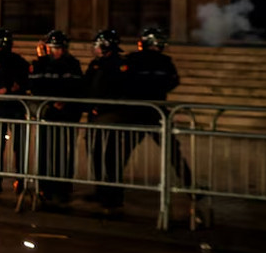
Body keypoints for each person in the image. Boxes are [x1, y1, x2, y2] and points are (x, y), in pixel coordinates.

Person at [122, 28, 194, 194]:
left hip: (137, 111)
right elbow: (173, 81)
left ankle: (110, 188)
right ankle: (189, 185)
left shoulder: (132, 59)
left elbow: (123, 82)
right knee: (172, 151)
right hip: (157, 111)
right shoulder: (165, 61)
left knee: (124, 151)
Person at [30, 30, 83, 206]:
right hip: (48, 114)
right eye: (54, 48)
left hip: (67, 115)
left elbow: (76, 87)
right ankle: (45, 186)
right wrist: (52, 102)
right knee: (45, 151)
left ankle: (64, 187)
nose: (57, 52)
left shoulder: (72, 64)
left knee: (65, 152)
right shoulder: (41, 64)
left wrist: (64, 101)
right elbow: (36, 87)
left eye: (60, 48)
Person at [0, 27, 30, 195]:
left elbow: (23, 81)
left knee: (17, 147)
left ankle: (18, 180)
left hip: (13, 108)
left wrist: (7, 89)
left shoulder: (16, 61)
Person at [84, 28, 128, 211]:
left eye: (97, 45)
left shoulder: (118, 65)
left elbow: (119, 91)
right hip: (95, 116)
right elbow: (86, 86)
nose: (95, 48)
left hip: (110, 116)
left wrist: (101, 107)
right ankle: (100, 190)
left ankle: (113, 194)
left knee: (111, 156)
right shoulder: (96, 64)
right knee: (95, 154)